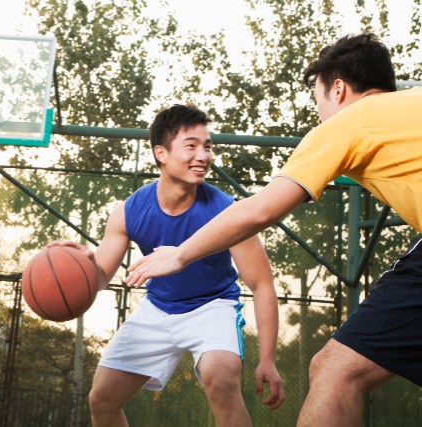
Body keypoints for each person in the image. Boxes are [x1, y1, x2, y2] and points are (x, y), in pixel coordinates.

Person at [125, 32, 422, 426]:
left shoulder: (352, 120)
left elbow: (260, 210)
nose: (319, 114)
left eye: (318, 100)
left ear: (338, 89)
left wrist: (179, 253)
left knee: (336, 371)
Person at [48, 104, 284, 427]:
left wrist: (268, 359)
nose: (203, 156)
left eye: (207, 146)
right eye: (191, 146)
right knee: (101, 399)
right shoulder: (130, 212)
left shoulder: (228, 211)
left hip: (212, 307)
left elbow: (262, 284)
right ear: (161, 153)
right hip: (158, 310)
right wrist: (79, 262)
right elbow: (100, 276)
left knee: (221, 378)